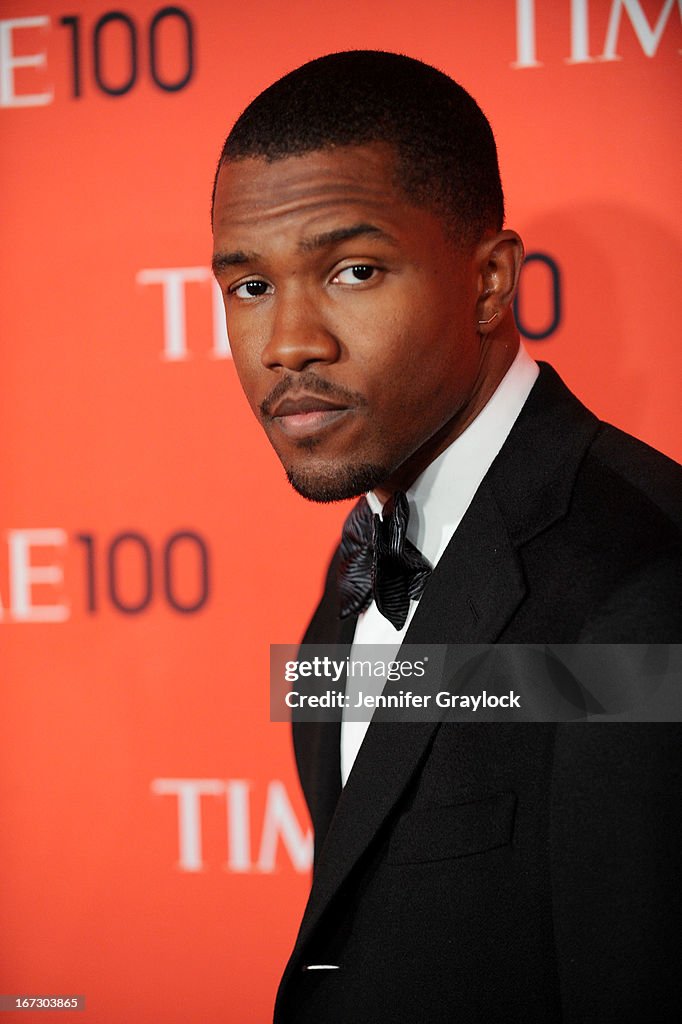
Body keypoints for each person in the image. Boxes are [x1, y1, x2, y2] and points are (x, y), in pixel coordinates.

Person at [211, 51, 682, 1024]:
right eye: (248, 285)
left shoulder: (646, 589)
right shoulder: (367, 553)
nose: (286, 340)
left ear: (489, 281)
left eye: (353, 270)